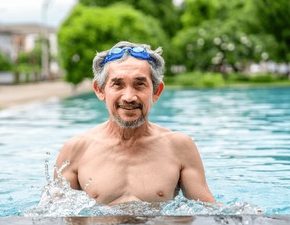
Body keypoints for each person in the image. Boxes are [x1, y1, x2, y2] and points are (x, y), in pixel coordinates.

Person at [55, 41, 215, 205]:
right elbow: (54, 220)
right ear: (100, 90)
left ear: (156, 91)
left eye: (140, 85)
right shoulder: (76, 151)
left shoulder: (179, 147)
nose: (129, 97)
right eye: (118, 84)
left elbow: (208, 210)